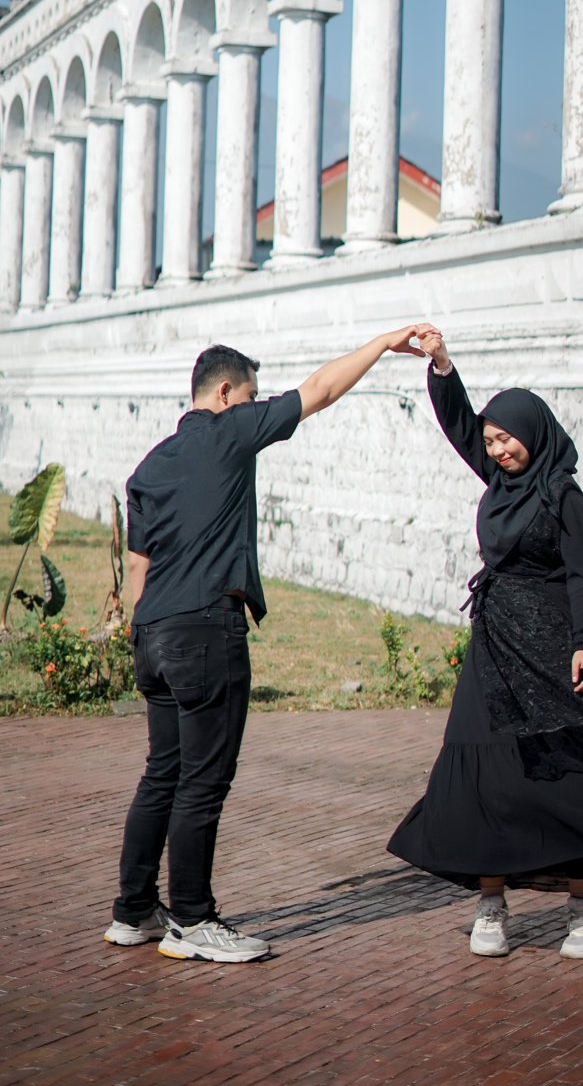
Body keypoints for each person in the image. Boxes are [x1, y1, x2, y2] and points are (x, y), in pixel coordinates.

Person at [105, 325, 431, 963]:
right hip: (205, 630)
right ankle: (192, 920)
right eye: (252, 396)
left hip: (152, 635)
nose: (256, 406)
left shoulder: (149, 466)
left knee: (162, 775)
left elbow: (137, 565)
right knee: (203, 781)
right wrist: (382, 345)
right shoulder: (231, 430)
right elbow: (321, 390)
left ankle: (133, 911)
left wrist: (143, 633)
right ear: (225, 393)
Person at [387, 328, 583, 960]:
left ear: (535, 433)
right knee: (484, 773)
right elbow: (459, 425)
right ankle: (491, 903)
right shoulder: (499, 482)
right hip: (494, 651)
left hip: (552, 653)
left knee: (562, 774)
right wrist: (442, 365)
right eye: (491, 441)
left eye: (508, 438)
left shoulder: (561, 493)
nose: (498, 450)